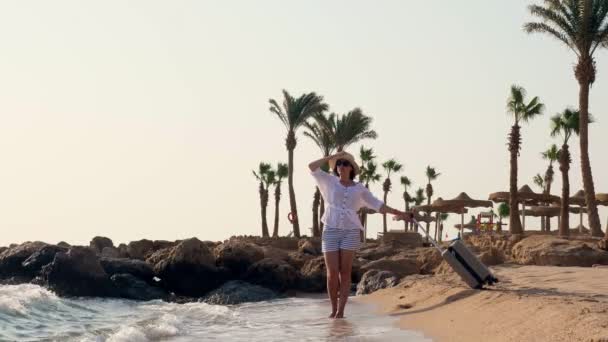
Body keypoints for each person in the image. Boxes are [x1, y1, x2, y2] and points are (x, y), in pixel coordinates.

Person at [308, 151, 412, 319]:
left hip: (350, 231)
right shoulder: (329, 180)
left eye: (345, 163)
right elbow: (312, 166)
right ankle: (333, 308)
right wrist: (332, 156)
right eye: (339, 163)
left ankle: (341, 311)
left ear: (351, 168)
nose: (341, 166)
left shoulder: (360, 188)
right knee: (332, 272)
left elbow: (378, 205)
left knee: (345, 272)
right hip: (330, 230)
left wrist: (400, 213)